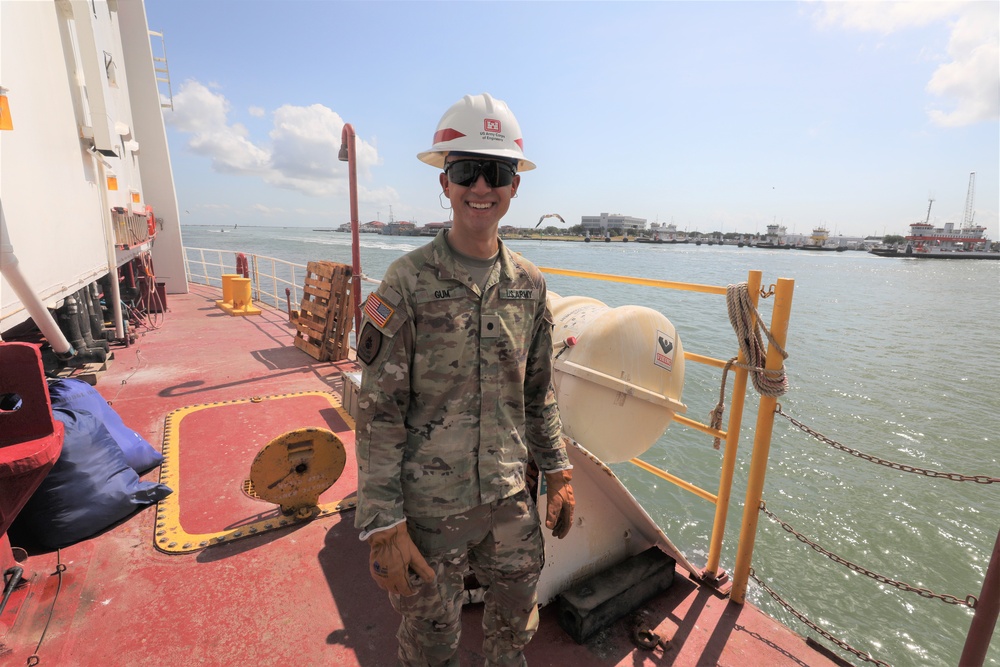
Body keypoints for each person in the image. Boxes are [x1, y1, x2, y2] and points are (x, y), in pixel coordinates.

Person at [353, 92, 576, 666]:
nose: (482, 186)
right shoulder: (407, 283)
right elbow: (379, 413)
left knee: (515, 635)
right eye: (466, 171)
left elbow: (538, 390)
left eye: (496, 172)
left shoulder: (529, 284)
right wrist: (383, 523)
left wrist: (558, 470)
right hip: (429, 513)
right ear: (445, 183)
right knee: (432, 647)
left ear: (514, 185)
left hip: (509, 503)